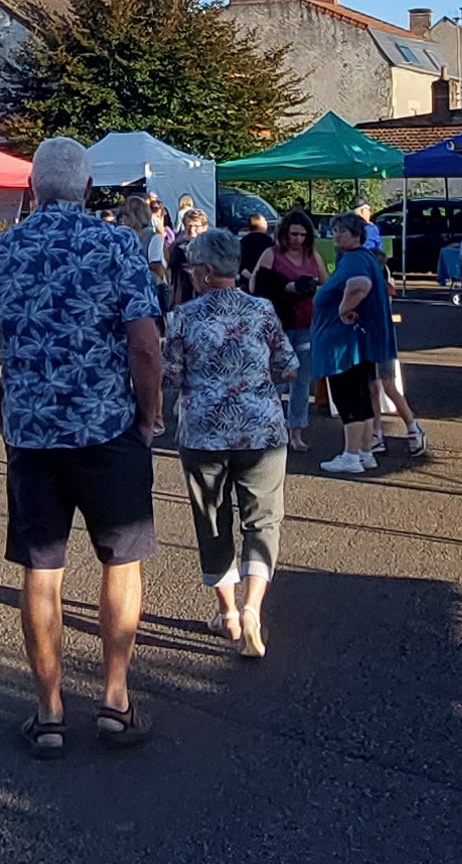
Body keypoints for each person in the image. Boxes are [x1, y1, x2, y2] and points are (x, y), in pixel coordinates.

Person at [0, 138, 162, 756]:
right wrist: (147, 419)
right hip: (107, 430)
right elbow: (146, 347)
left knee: (41, 572)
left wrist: (5, 414)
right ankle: (114, 700)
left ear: (33, 186)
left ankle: (49, 714)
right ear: (87, 184)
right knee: (120, 563)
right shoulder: (118, 245)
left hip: (34, 437)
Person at [164, 229, 297, 658]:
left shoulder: (182, 318)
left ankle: (228, 615)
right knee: (263, 520)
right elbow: (288, 366)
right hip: (262, 431)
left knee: (213, 521)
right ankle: (254, 609)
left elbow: (169, 375)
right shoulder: (262, 310)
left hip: (204, 433)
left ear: (203, 272)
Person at [312, 211, 396, 475]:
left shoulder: (354, 261)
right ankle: (364, 452)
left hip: (345, 345)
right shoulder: (365, 258)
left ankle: (350, 455)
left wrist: (342, 309)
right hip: (360, 342)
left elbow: (360, 285)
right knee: (361, 397)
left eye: (342, 231)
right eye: (335, 230)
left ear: (356, 235)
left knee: (348, 398)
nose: (336, 235)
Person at [249, 213, 325, 453]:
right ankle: (272, 429)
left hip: (305, 325)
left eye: (303, 235)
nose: (298, 239)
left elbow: (327, 284)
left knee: (302, 382)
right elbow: (255, 285)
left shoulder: (312, 256)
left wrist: (310, 288)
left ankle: (296, 432)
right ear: (284, 233)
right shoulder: (272, 254)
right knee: (276, 381)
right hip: (277, 326)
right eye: (293, 234)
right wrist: (284, 287)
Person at [166, 207, 210, 310]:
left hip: (205, 297)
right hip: (182, 297)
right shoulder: (179, 246)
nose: (191, 230)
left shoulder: (210, 247)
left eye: (196, 226)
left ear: (205, 227)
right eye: (188, 226)